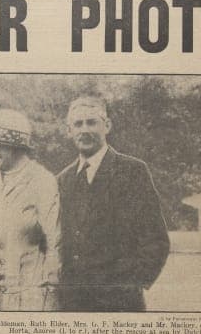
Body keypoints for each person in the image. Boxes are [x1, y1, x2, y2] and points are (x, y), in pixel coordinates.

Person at [58, 96, 170, 312]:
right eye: (78, 124)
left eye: (92, 122)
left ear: (107, 126)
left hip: (120, 304)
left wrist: (128, 285)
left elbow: (156, 241)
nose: (84, 130)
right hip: (72, 305)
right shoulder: (63, 180)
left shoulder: (132, 172)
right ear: (68, 130)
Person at [0, 109, 61, 311]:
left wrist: (50, 293)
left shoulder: (42, 180)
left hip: (30, 298)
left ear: (15, 146)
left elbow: (55, 242)